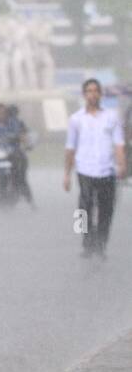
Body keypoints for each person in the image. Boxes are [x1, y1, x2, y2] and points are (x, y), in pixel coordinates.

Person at [64, 79, 127, 259]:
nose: (92, 94)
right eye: (89, 91)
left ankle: (101, 244)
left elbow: (119, 144)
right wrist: (66, 174)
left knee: (106, 210)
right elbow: (70, 147)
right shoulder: (76, 119)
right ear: (84, 95)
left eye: (95, 91)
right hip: (84, 169)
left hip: (107, 170)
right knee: (83, 209)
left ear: (100, 94)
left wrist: (121, 164)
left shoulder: (111, 117)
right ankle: (86, 243)